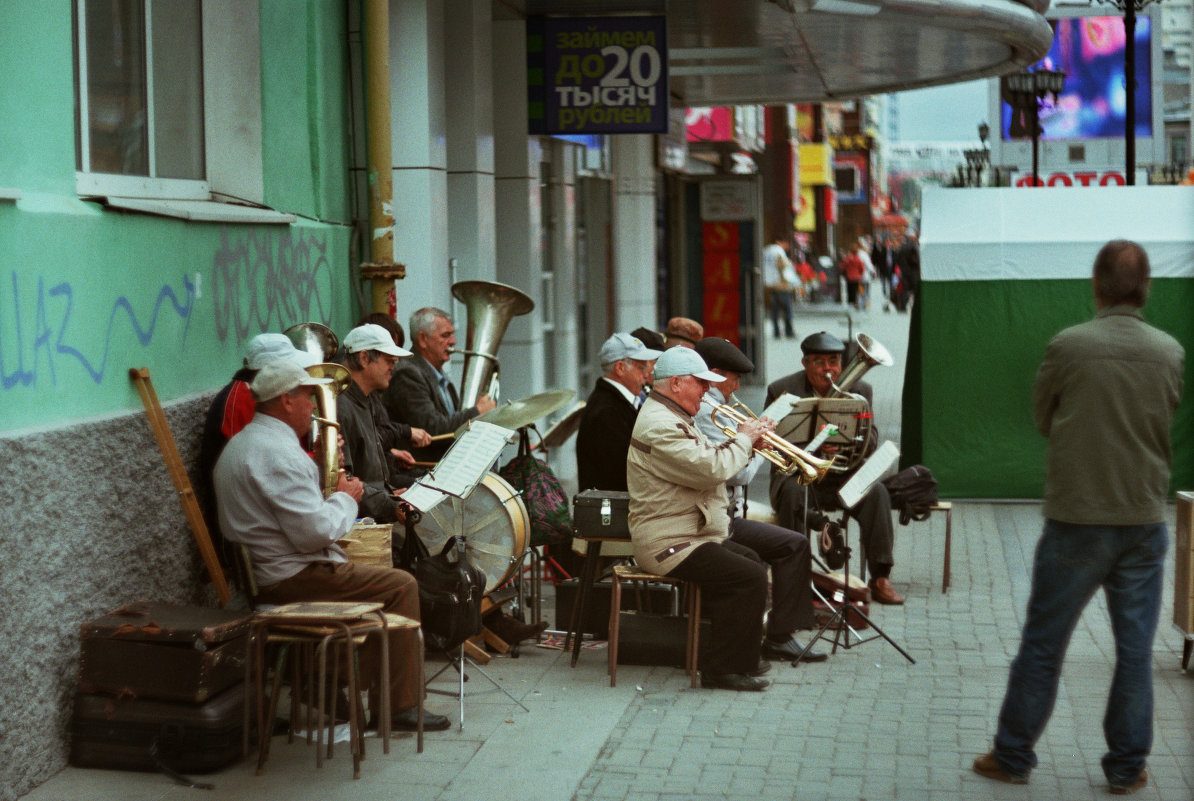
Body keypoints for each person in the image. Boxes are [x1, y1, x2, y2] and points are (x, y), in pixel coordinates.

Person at [973, 240, 1183, 795]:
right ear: (1146, 289)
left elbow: (1044, 417)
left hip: (1076, 518)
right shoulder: (1169, 351)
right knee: (1135, 649)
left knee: (1045, 641)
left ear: (1096, 285)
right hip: (1143, 519)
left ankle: (1013, 755)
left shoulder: (1069, 345)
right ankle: (1126, 767)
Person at [213, 360, 451, 732]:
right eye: (308, 396)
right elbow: (315, 533)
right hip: (293, 576)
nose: (314, 405)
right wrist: (346, 497)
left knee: (381, 584)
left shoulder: (245, 443)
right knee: (400, 585)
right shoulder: (278, 453)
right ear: (286, 400)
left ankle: (324, 676)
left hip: (274, 570)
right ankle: (396, 704)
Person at [627, 348, 783, 692]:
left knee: (752, 563)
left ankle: (738, 657)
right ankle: (722, 669)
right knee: (749, 576)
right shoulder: (661, 425)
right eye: (700, 384)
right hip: (669, 543)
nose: (706, 391)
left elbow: (708, 462)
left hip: (689, 533)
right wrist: (745, 438)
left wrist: (748, 443)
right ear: (678, 383)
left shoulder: (672, 415)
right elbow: (712, 469)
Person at [692, 337, 825, 664]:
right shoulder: (707, 412)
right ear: (716, 373)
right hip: (711, 520)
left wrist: (754, 440)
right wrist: (759, 444)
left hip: (725, 514)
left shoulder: (716, 407)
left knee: (794, 543)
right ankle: (769, 639)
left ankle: (781, 633)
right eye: (734, 378)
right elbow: (738, 475)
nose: (737, 388)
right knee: (776, 551)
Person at [766, 331, 904, 605]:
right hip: (798, 475)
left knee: (876, 493)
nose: (828, 369)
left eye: (834, 361)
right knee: (793, 494)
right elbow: (770, 442)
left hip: (839, 475)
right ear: (805, 363)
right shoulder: (781, 390)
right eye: (819, 362)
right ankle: (795, 576)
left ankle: (880, 577)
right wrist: (814, 445)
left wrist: (843, 444)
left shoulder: (860, 390)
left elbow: (871, 437)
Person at [199, 333, 320, 565]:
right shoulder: (244, 398)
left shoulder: (248, 393)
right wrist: (317, 461)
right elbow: (264, 464)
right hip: (252, 532)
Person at [383, 307, 497, 462]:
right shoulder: (408, 374)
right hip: (420, 473)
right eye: (446, 335)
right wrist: (478, 411)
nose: (453, 341)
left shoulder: (439, 375)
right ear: (423, 339)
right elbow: (432, 429)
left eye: (452, 335)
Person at [337, 323, 417, 523]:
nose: (394, 365)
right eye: (389, 359)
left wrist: (389, 495)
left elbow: (366, 478)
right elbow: (344, 482)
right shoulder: (341, 407)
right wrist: (390, 504)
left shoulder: (363, 401)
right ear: (364, 358)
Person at [576, 332, 661, 492]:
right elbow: (624, 470)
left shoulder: (617, 402)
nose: (646, 374)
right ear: (620, 368)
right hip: (612, 511)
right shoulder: (606, 410)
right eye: (641, 367)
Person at [762, 235, 798, 338]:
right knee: (787, 310)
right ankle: (788, 331)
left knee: (775, 310)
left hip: (771, 285)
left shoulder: (766, 251)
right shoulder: (778, 251)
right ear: (779, 242)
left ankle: (776, 331)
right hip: (781, 285)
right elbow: (782, 265)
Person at [894, 231, 919, 312]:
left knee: (904, 289)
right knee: (915, 290)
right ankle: (916, 306)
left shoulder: (902, 247)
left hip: (904, 271)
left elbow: (897, 259)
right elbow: (917, 259)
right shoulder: (914, 247)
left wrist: (902, 267)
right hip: (913, 271)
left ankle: (903, 307)